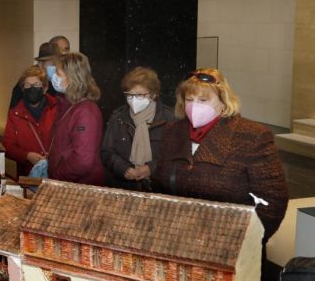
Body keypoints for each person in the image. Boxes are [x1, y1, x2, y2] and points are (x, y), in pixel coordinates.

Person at [155, 68, 288, 243]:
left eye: (203, 100)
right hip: (178, 242)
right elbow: (159, 186)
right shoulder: (173, 132)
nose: (195, 106)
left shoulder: (252, 136)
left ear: (224, 101)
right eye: (189, 99)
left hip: (230, 247)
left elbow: (272, 201)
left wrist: (245, 242)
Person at [100, 67, 175, 191]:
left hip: (158, 189)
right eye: (130, 95)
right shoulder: (118, 117)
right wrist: (123, 169)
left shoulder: (169, 118)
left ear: (153, 94)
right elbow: (106, 152)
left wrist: (151, 168)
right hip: (123, 188)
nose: (134, 100)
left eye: (140, 95)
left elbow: (175, 156)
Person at [47, 53, 105, 185]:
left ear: (73, 77)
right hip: (68, 182)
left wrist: (57, 176)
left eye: (58, 73)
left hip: (80, 186)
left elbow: (83, 161)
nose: (53, 77)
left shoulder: (85, 112)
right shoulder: (68, 105)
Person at [3, 66, 61, 177]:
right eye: (28, 85)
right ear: (23, 89)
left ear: (44, 88)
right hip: (28, 177)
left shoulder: (57, 109)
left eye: (36, 85)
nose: (31, 89)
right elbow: (7, 145)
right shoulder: (15, 114)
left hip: (56, 174)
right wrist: (26, 156)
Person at [9, 42, 63, 109]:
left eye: (58, 62)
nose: (56, 66)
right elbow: (14, 110)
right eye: (52, 63)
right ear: (40, 64)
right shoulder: (28, 80)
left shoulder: (63, 80)